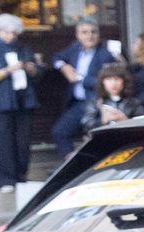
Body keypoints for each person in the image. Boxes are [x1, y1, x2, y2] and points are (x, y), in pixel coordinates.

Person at [50, 19, 118, 158]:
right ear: (77, 35)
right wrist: (64, 67)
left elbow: (106, 82)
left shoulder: (105, 54)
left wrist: (80, 78)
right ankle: (70, 166)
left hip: (97, 103)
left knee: (97, 138)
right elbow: (56, 57)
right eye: (85, 32)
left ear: (99, 34)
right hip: (77, 103)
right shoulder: (75, 48)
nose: (90, 36)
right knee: (59, 132)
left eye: (93, 32)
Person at [0, 14, 39, 193]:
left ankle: (21, 176)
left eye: (14, 33)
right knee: (4, 141)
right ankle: (6, 179)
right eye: (7, 32)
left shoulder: (23, 49)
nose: (11, 36)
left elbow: (37, 71)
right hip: (3, 102)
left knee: (23, 141)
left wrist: (32, 68)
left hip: (24, 100)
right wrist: (7, 70)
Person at [81, 63, 144, 132]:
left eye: (117, 79)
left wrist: (125, 120)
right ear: (102, 82)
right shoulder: (95, 102)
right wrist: (102, 121)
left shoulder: (133, 102)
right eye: (109, 79)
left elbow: (141, 124)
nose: (113, 83)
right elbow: (86, 124)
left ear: (124, 81)